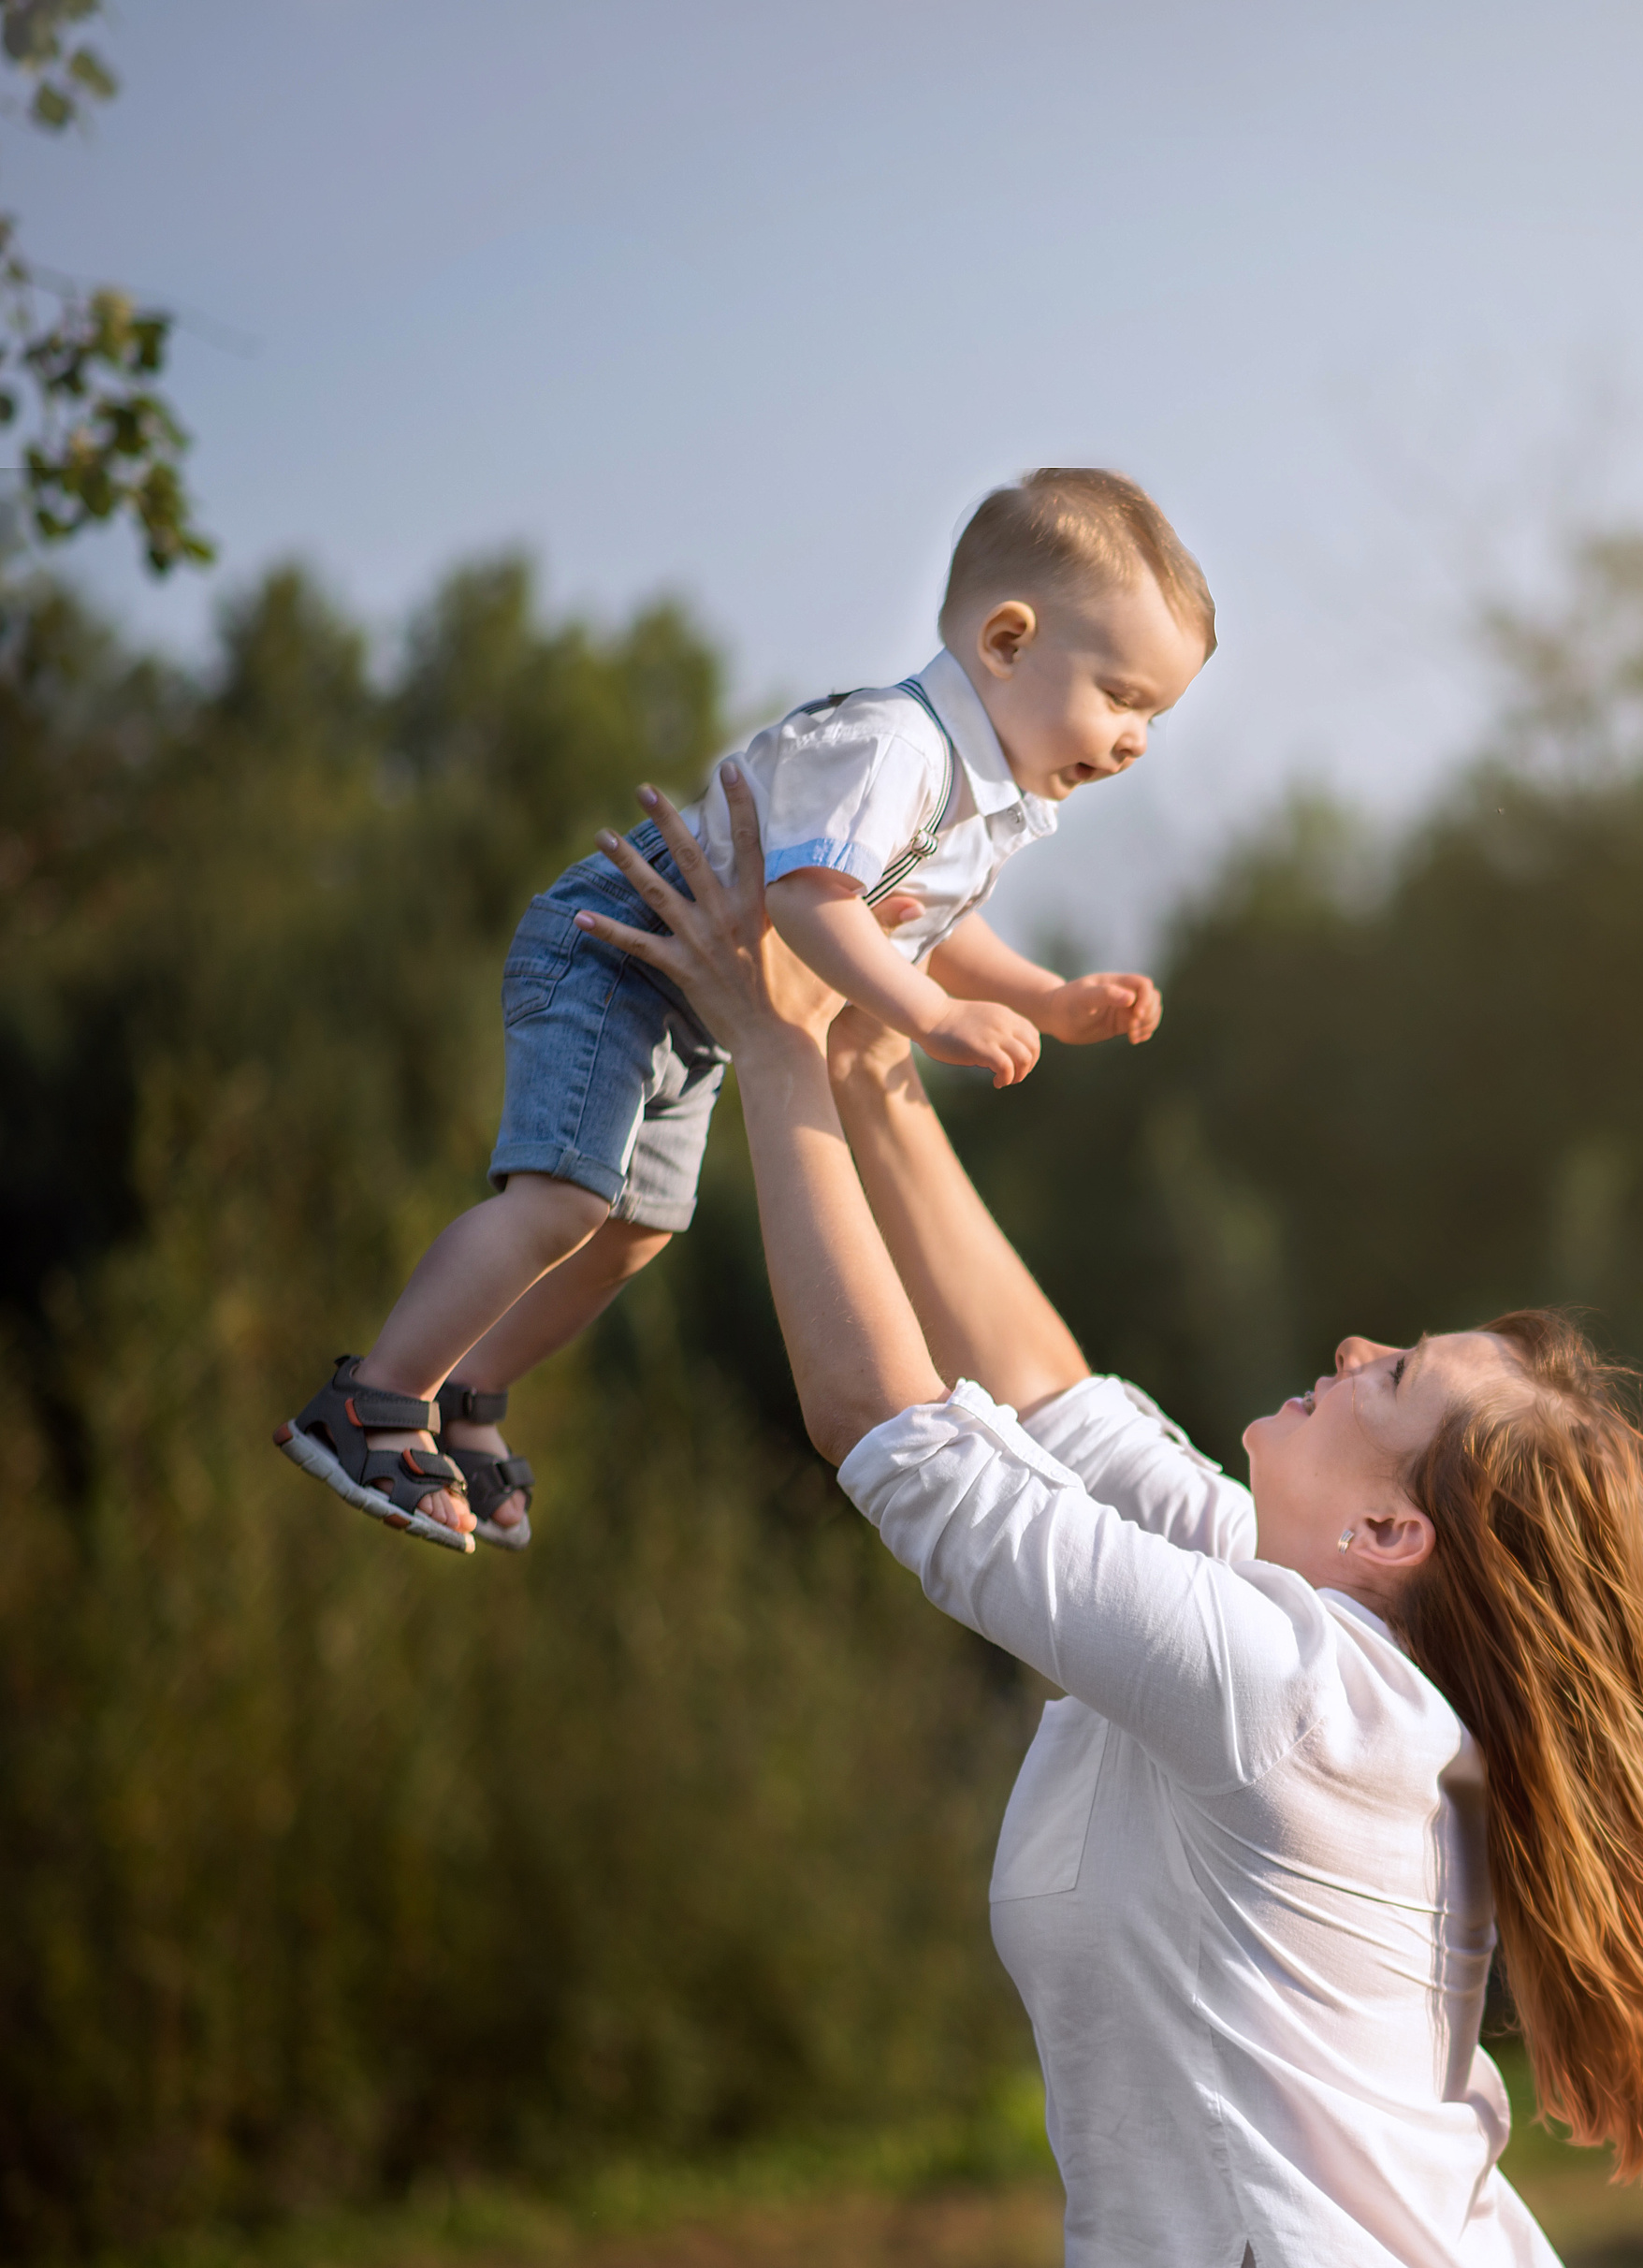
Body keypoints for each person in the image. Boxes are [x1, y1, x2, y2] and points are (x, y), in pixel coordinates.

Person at [571, 771, 1643, 2268]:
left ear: (1389, 1532)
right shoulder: (1307, 1641)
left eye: (1390, 1379)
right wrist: (869, 1035)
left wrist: (771, 1058)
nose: (1348, 1343)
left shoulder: (1286, 1683)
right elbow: (1048, 1401)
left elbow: (895, 1435)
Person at [274, 467, 1212, 1554]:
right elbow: (812, 901)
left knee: (635, 1229)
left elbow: (928, 925)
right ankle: (374, 1400)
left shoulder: (981, 797)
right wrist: (929, 1016)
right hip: (618, 954)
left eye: (1154, 713)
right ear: (1006, 641)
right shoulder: (895, 747)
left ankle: (466, 1391)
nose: (1137, 736)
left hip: (690, 1001)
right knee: (564, 1199)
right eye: (1123, 695)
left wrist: (1048, 995)